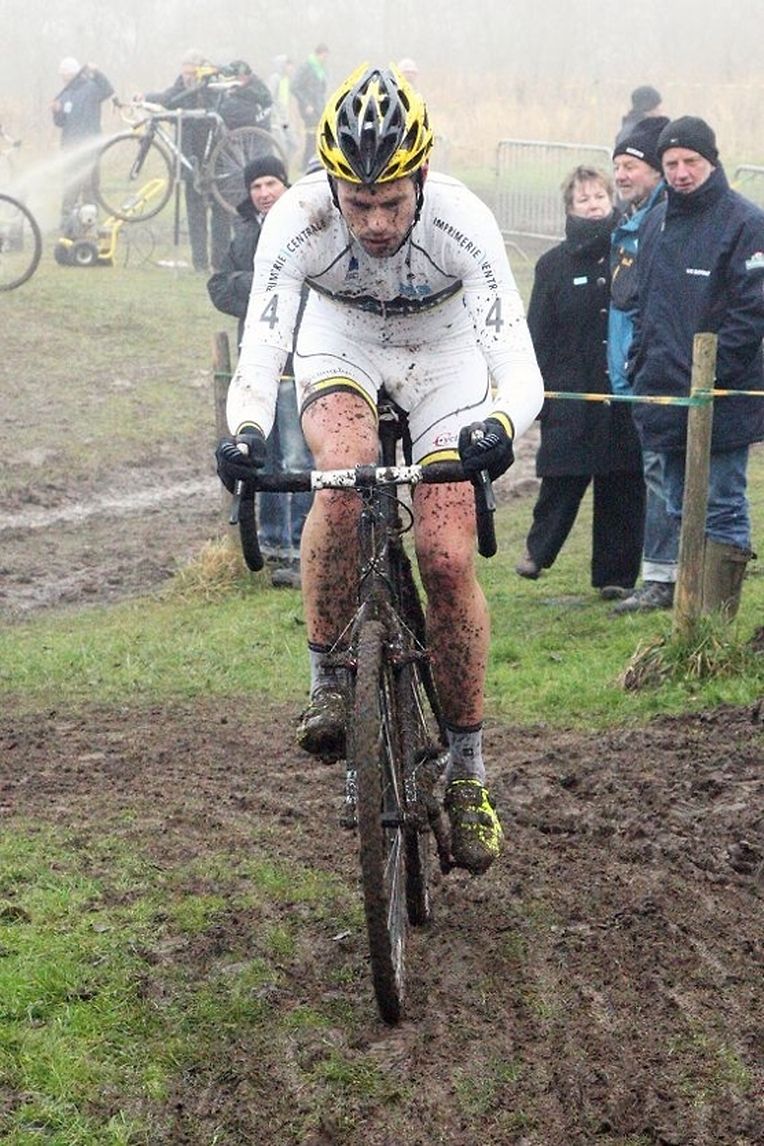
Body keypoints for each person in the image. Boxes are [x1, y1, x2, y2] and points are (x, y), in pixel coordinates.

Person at [214, 64, 544, 875]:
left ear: (421, 176)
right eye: (356, 202)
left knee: (445, 556)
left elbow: (517, 362)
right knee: (342, 474)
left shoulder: (464, 220)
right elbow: (262, 345)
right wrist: (247, 431)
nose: (373, 222)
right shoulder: (296, 218)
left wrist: (500, 425)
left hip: (445, 357)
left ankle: (467, 774)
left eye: (391, 202)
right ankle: (329, 679)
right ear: (331, 183)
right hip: (342, 343)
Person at [626, 116, 764, 620]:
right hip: (661, 390)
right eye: (672, 163)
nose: (681, 173)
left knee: (722, 503)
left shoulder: (746, 223)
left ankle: (715, 621)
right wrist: (639, 363)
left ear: (712, 160)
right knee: (679, 504)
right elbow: (643, 302)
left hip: (721, 395)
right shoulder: (655, 221)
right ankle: (688, 615)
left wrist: (711, 378)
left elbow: (751, 313)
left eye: (691, 162)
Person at [515, 166, 645, 595]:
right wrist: (537, 395)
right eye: (583, 199)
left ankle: (615, 578)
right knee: (562, 474)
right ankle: (538, 552)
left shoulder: (630, 255)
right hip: (570, 389)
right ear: (570, 207)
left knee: (623, 482)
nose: (593, 205)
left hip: (621, 390)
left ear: (612, 200)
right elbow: (538, 334)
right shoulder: (552, 265)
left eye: (599, 197)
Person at [207, 156, 312, 588]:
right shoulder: (244, 233)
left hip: (297, 362)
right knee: (261, 456)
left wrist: (279, 288)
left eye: (271, 183)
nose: (264, 193)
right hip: (256, 360)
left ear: (285, 185)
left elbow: (309, 287)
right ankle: (270, 546)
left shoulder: (306, 225)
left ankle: (304, 546)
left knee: (299, 457)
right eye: (256, 186)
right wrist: (263, 285)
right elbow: (218, 286)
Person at [607, 116, 680, 615]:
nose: (620, 175)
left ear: (655, 170)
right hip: (632, 373)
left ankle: (663, 578)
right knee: (656, 472)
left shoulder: (663, 221)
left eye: (630, 166)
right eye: (616, 166)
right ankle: (663, 573)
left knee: (663, 472)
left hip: (656, 370)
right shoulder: (628, 221)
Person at [142, 50, 230, 272]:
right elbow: (167, 98)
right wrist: (145, 97)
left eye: (191, 72)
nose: (187, 76)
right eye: (184, 72)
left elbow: (220, 104)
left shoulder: (212, 86)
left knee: (221, 212)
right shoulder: (180, 87)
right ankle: (199, 264)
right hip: (189, 156)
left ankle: (220, 263)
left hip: (216, 156)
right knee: (195, 212)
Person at [51, 57, 114, 229]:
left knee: (90, 185)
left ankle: (90, 221)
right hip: (70, 147)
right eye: (61, 75)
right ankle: (66, 221)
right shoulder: (64, 94)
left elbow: (108, 90)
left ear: (73, 73)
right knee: (70, 183)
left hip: (90, 145)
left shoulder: (92, 88)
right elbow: (60, 122)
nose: (63, 78)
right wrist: (57, 112)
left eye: (65, 75)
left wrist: (97, 72)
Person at [291, 44, 329, 168]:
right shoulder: (306, 67)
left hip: (318, 107)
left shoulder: (320, 69)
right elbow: (295, 87)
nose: (325, 59)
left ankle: (312, 163)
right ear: (319, 54)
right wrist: (306, 103)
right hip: (309, 109)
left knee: (318, 135)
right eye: (324, 56)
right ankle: (306, 164)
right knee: (312, 137)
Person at [268, 55, 298, 167]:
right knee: (281, 145)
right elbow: (270, 98)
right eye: (288, 65)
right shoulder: (275, 79)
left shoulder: (286, 80)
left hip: (285, 119)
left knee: (294, 143)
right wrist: (274, 116)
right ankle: (279, 167)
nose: (291, 68)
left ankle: (285, 166)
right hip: (276, 119)